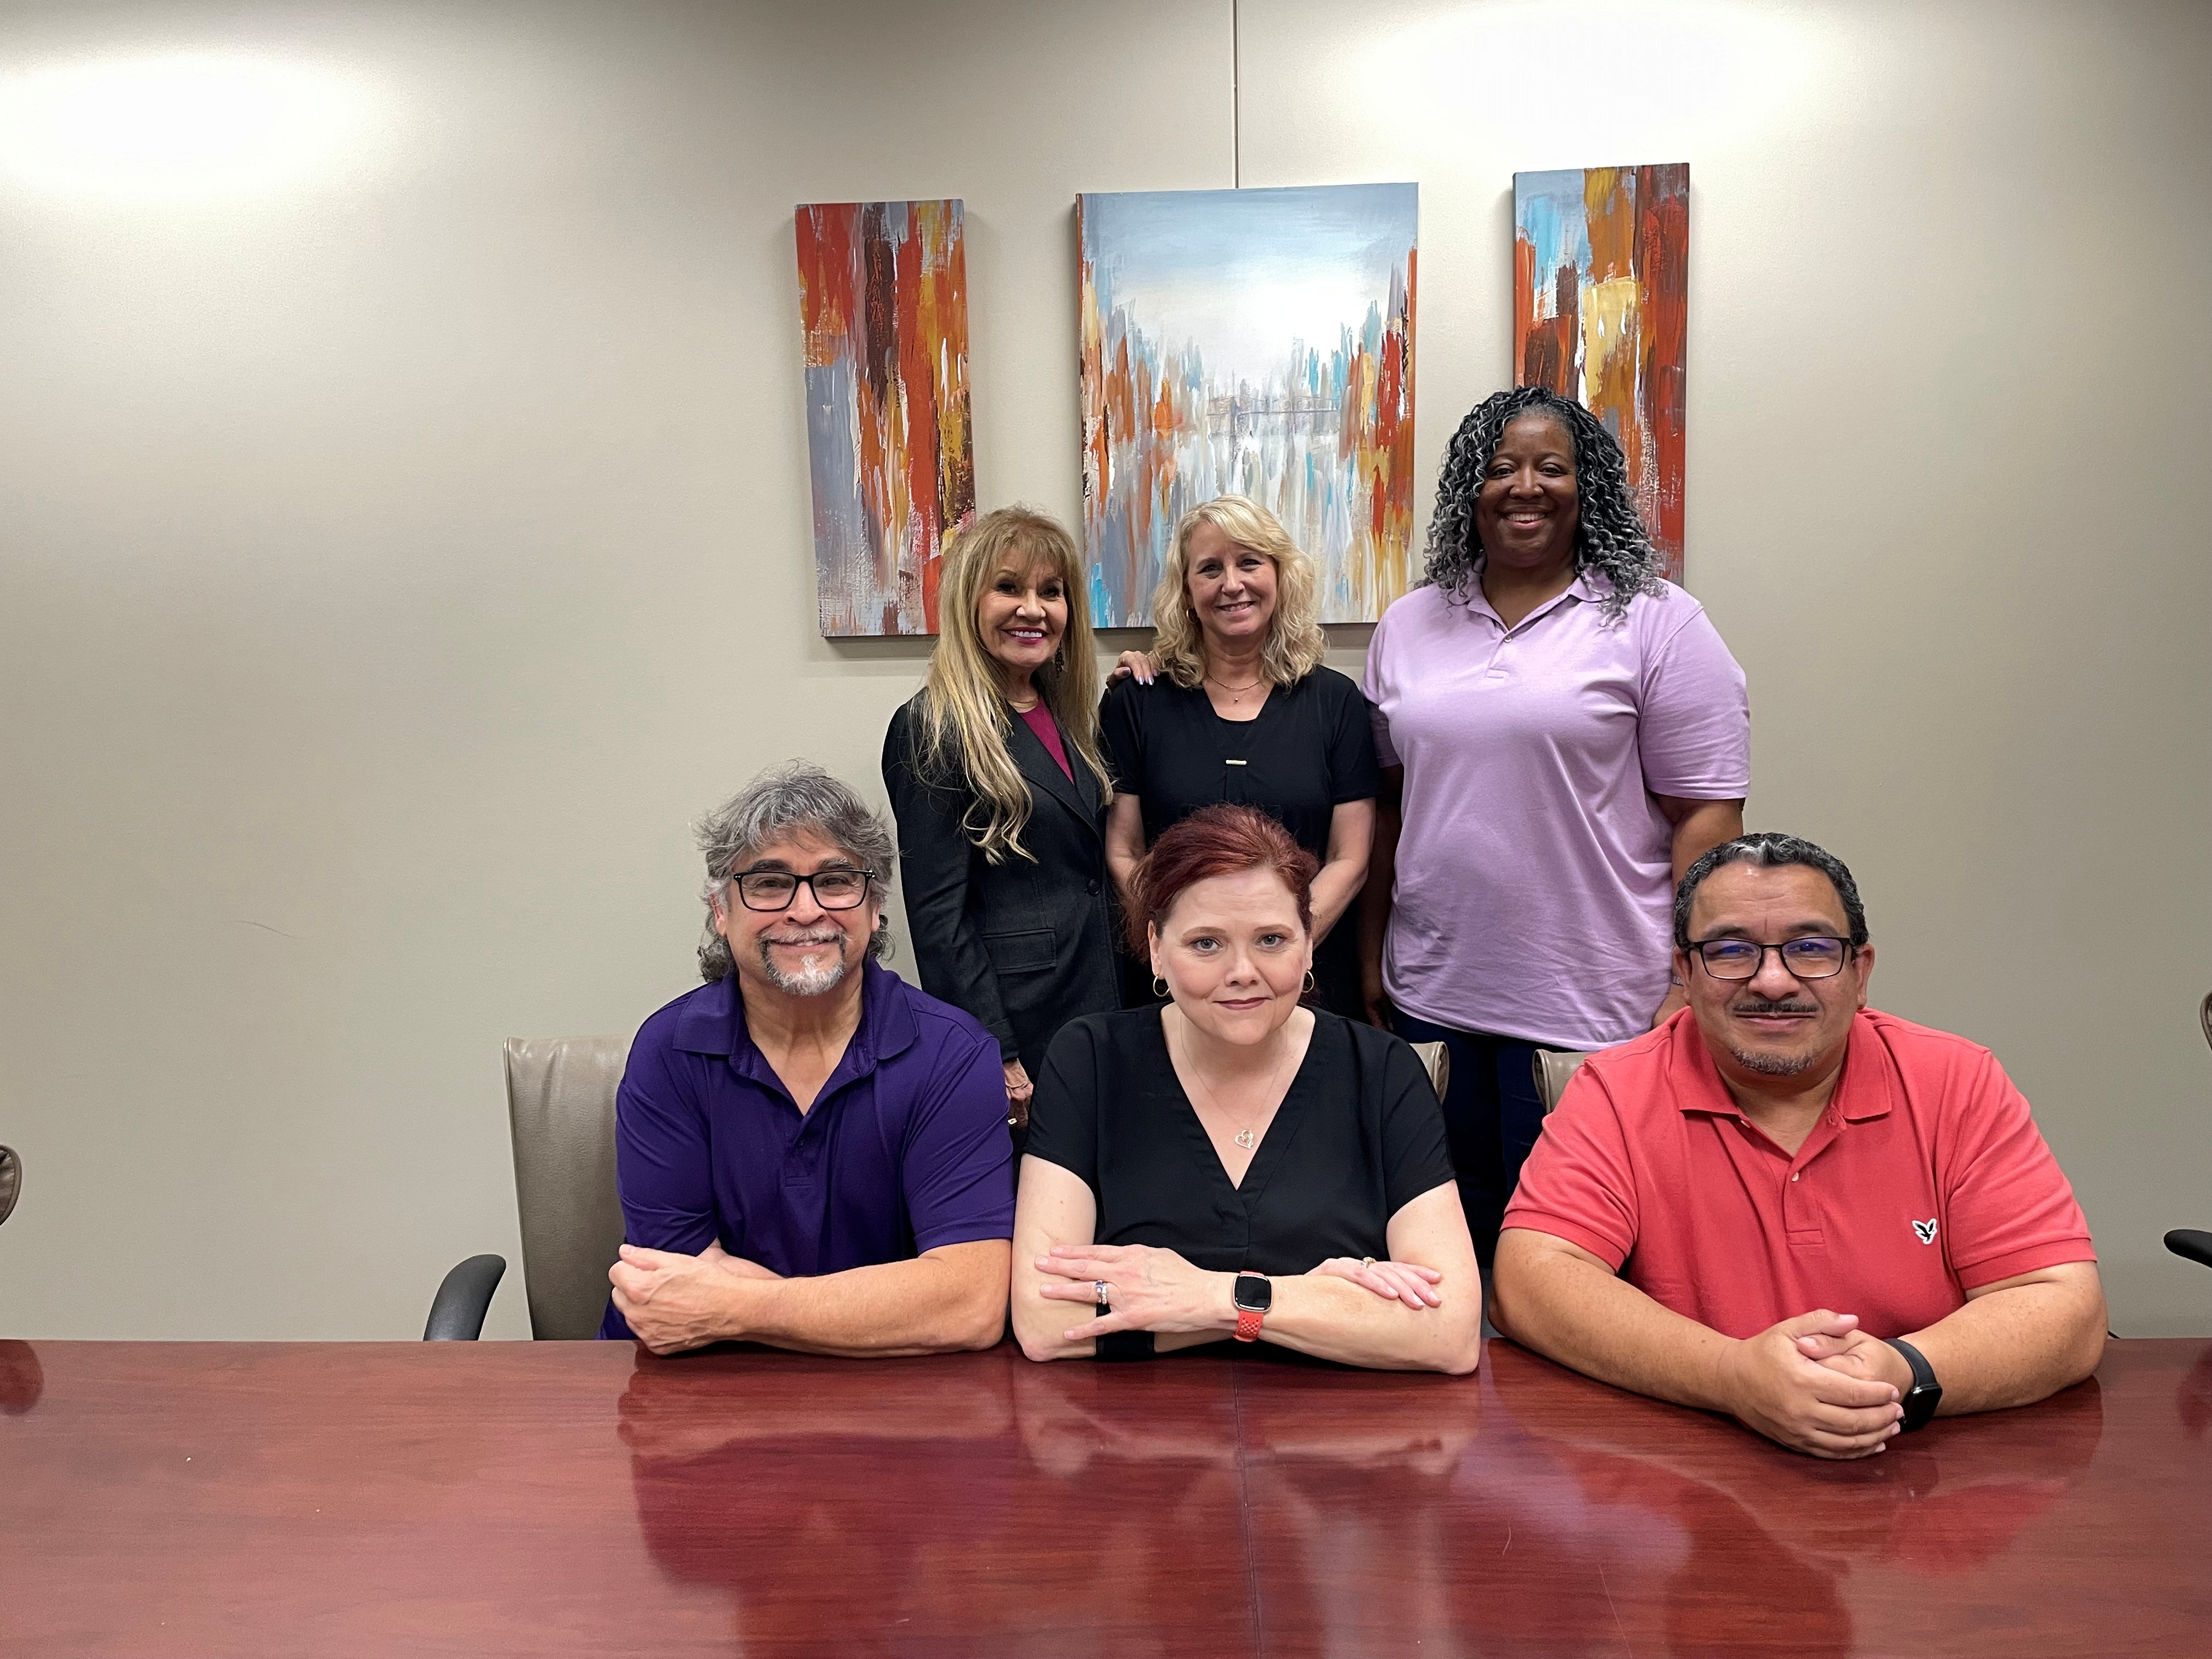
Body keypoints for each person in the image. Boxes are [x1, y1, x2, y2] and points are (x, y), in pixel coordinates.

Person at [1492, 832, 2106, 1459]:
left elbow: (2064, 1306)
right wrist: (1732, 1376)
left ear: (1860, 972)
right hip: (1697, 1469)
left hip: (1925, 1470)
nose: (1772, 981)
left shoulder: (1956, 1081)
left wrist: (1900, 1370)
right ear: (1686, 973)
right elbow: (1530, 1281)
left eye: (1810, 949)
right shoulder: (1616, 1089)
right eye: (1731, 950)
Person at [1359, 385, 1750, 1266]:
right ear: (1471, 489)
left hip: (1597, 1008)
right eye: (1501, 468)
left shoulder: (1657, 622)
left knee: (1574, 1265)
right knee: (1444, 1261)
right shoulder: (1411, 624)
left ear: (1589, 486)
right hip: (1434, 1001)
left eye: (1551, 468)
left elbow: (1707, 816)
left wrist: (1688, 978)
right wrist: (1370, 954)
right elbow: (1390, 805)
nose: (1525, 487)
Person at [1012, 804, 1481, 1373]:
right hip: (1128, 1421)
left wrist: (1212, 1298)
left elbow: (1451, 1332)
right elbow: (1045, 1321)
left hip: (1340, 1422)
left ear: (1309, 944)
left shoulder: (1383, 1071)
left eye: (1272, 939)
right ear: (1157, 948)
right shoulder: (1089, 1060)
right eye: (1206, 943)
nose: (1242, 971)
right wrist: (1319, 1303)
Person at [600, 760, 1013, 1356]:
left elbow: (970, 1302)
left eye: (836, 881)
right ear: (721, 911)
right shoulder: (669, 1050)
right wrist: (885, 1310)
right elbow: (670, 1289)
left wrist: (738, 1308)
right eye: (769, 883)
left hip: (889, 1390)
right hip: (697, 1378)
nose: (805, 910)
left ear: (875, 907)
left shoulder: (953, 1054)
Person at [883, 507, 1117, 1135]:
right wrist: (995, 1050)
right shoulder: (931, 727)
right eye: (1009, 587)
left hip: (1096, 1000)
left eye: (1051, 592)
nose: (1033, 609)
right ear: (969, 602)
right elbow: (938, 917)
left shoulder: (1068, 714)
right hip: (1020, 1026)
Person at [1103, 495, 1377, 1019]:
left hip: (1308, 983)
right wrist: (1182, 949)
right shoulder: (1136, 702)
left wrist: (1282, 949)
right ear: (1187, 592)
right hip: (1177, 987)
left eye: (1249, 562)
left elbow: (1351, 858)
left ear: (1279, 575)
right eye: (1210, 569)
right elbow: (1123, 850)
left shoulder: (1335, 702)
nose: (1232, 584)